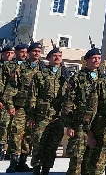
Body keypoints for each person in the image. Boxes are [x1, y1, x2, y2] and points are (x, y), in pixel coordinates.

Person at [29, 46, 72, 175]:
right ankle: (36, 169)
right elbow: (33, 96)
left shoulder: (66, 75)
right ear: (48, 58)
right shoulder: (41, 74)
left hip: (58, 117)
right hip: (42, 115)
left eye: (59, 55)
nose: (57, 57)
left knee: (52, 145)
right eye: (54, 55)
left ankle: (46, 170)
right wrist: (31, 116)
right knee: (38, 143)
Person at [62, 47, 104, 175]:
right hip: (80, 124)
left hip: (97, 125)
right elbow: (68, 102)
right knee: (76, 159)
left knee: (92, 161)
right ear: (87, 60)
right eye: (93, 58)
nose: (96, 60)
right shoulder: (77, 78)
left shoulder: (103, 79)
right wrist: (69, 125)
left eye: (99, 58)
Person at [7, 42, 41, 172]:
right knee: (16, 133)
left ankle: (22, 161)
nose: (36, 53)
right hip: (20, 107)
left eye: (39, 51)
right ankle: (13, 162)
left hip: (35, 109)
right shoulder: (20, 68)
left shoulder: (43, 70)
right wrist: (10, 105)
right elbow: (11, 88)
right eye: (34, 51)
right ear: (29, 53)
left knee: (29, 136)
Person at [0, 45, 17, 161]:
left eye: (11, 53)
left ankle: (5, 150)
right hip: (2, 101)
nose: (9, 55)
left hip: (9, 101)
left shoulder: (15, 67)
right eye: (7, 53)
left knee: (6, 126)